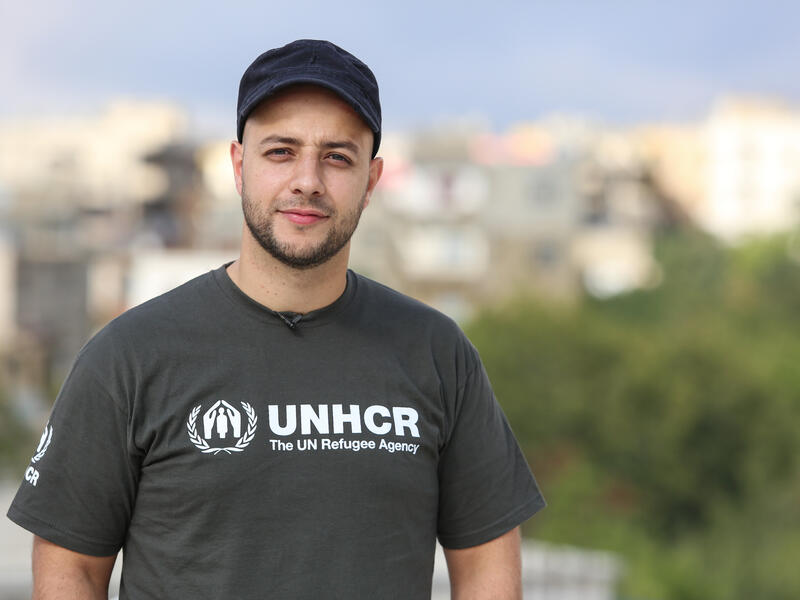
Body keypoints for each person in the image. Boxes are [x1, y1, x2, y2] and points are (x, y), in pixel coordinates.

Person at [7, 39, 545, 599]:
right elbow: (71, 568)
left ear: (372, 181)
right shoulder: (130, 355)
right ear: (239, 166)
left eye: (337, 157)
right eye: (281, 151)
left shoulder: (435, 351)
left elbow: (486, 562)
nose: (307, 180)